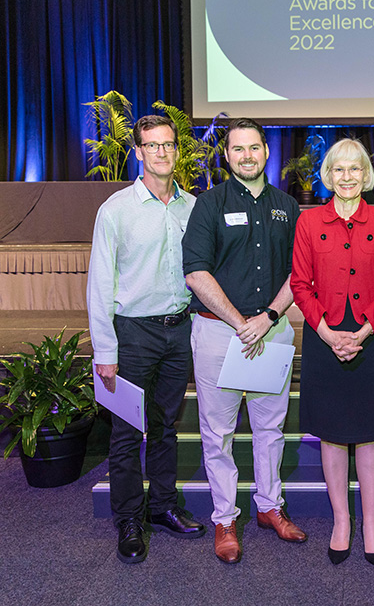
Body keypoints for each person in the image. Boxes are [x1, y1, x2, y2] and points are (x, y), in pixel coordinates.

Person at [182, 118, 306, 564]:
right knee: (218, 434)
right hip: (220, 334)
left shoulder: (287, 206)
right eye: (238, 149)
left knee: (270, 430)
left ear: (266, 152)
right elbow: (196, 271)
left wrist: (270, 316)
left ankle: (270, 508)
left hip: (273, 333)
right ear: (227, 154)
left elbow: (300, 272)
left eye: (255, 147)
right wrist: (240, 322)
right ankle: (224, 517)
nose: (247, 155)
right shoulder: (208, 205)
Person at [87, 115, 205, 564]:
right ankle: (129, 519)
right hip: (132, 334)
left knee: (166, 428)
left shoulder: (192, 207)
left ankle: (162, 507)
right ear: (138, 152)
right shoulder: (115, 210)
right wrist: (105, 350)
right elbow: (100, 283)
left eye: (168, 145)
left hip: (178, 332)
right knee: (125, 431)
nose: (161, 152)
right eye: (152, 145)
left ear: (177, 151)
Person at [290, 138, 374, 567]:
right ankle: (342, 521)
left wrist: (361, 332)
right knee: (332, 436)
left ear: (366, 175)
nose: (348, 176)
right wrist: (328, 333)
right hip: (323, 338)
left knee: (370, 435)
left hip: (371, 340)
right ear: (328, 175)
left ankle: (371, 523)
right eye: (339, 169)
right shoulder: (309, 222)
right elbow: (300, 284)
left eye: (356, 169)